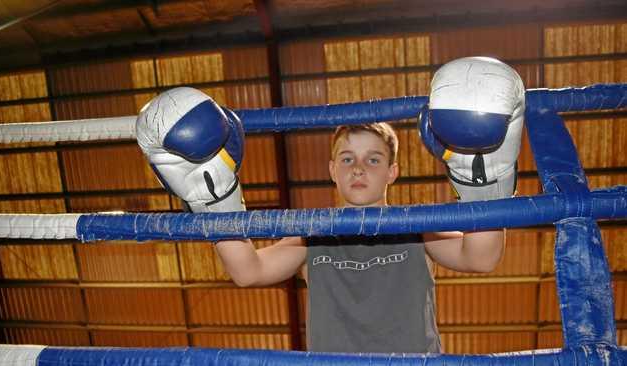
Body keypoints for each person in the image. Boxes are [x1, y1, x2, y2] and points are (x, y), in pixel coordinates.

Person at [135, 56, 525, 353]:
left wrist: (481, 183)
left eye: (373, 159)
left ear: (392, 172)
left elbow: (481, 258)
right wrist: (215, 198)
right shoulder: (312, 235)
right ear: (331, 171)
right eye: (347, 159)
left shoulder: (416, 225)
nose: (359, 168)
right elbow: (248, 271)